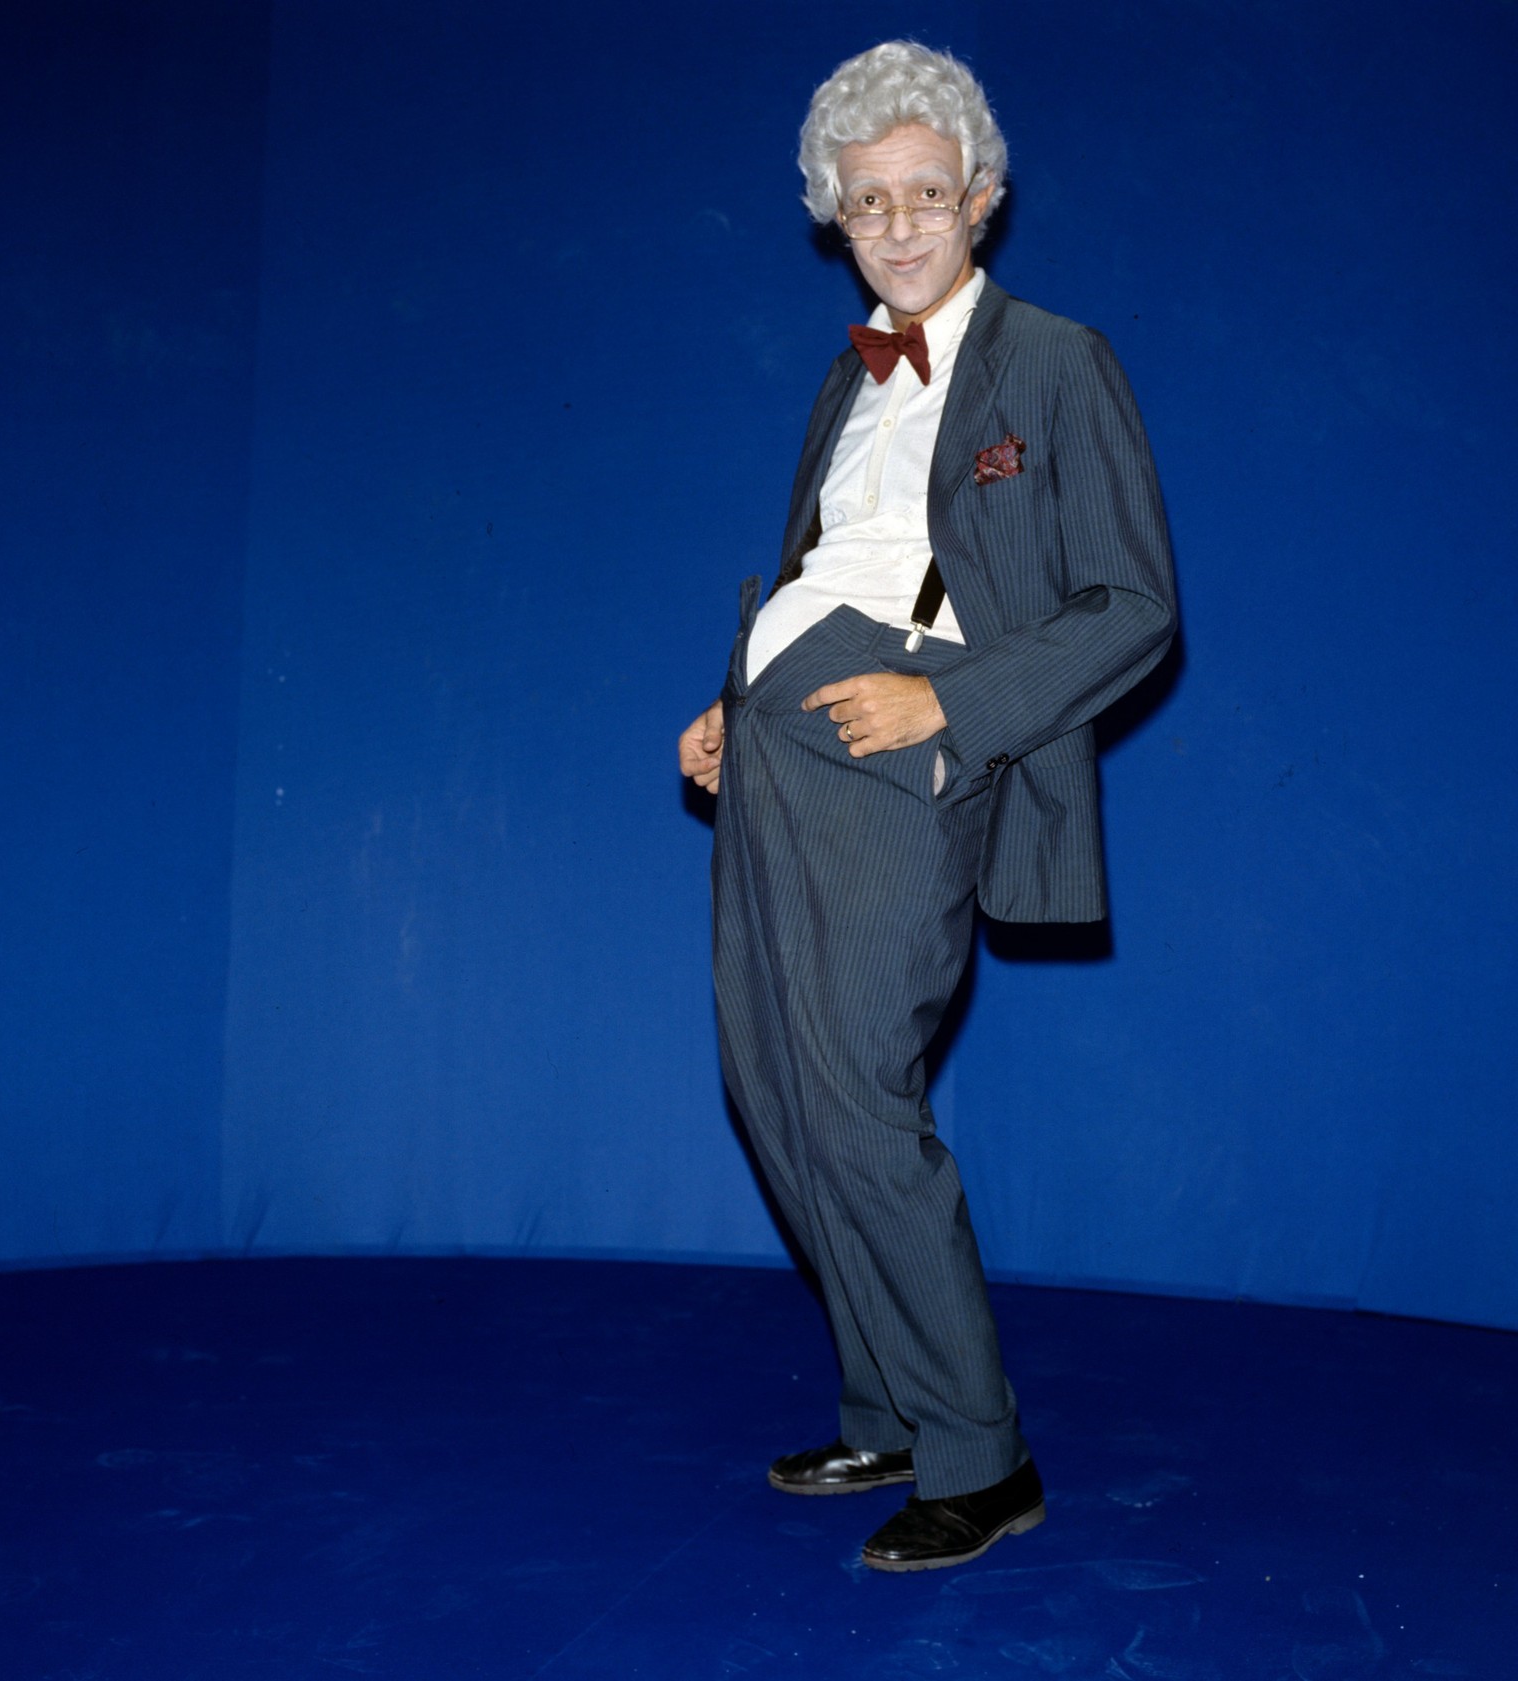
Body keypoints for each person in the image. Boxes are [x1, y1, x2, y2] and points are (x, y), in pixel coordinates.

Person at [678, 40, 1176, 1573]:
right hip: (779, 737)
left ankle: (983, 1455)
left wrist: (946, 703)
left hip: (901, 741)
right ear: (835, 215)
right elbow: (832, 562)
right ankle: (887, 1408)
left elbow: (1133, 607)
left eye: (926, 195)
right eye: (866, 201)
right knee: (775, 1084)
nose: (897, 225)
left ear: (985, 197)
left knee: (858, 1094)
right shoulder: (850, 372)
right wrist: (735, 698)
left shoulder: (1057, 361)